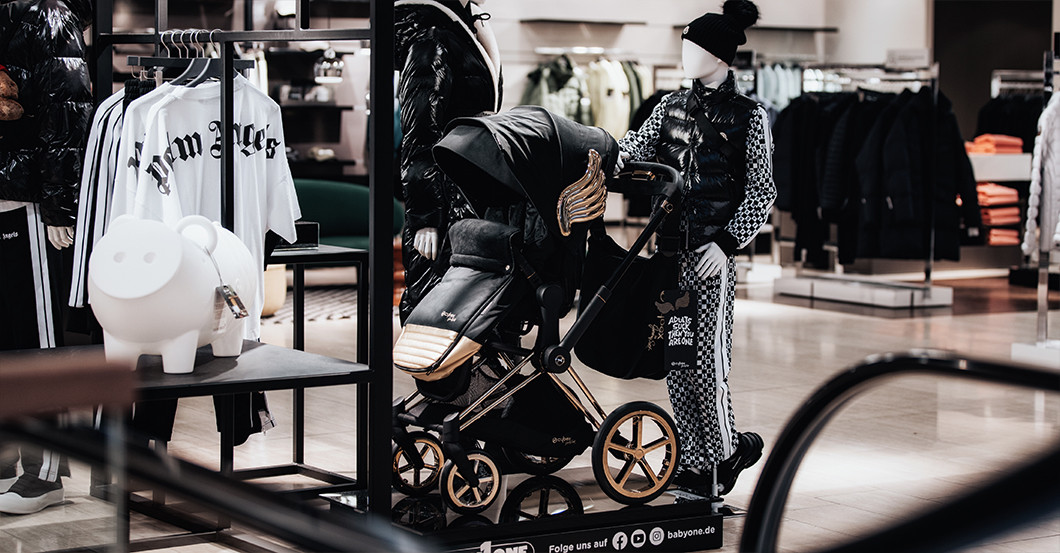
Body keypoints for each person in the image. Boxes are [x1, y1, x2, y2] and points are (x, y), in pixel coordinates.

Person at [617, 0, 774, 496]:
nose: (686, 55)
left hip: (709, 261)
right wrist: (607, 157)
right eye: (684, 46)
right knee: (678, 361)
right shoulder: (668, 107)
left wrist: (726, 244)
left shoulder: (750, 117)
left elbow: (762, 191)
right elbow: (634, 150)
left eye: (694, 47)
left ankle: (724, 455)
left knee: (708, 365)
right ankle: (693, 457)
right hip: (669, 258)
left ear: (719, 55)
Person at [0, 0, 93, 514]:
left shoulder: (45, 16)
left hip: (28, 204)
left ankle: (45, 475)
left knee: (37, 343)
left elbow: (67, 113)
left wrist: (60, 205)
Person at [394, 0, 501, 322]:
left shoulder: (468, 26)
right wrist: (425, 216)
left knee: (465, 301)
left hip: (470, 190)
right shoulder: (431, 37)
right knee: (433, 299)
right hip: (444, 196)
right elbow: (420, 133)